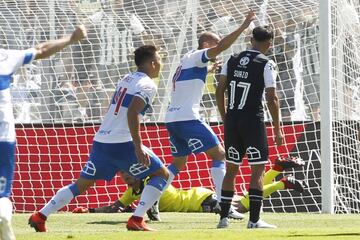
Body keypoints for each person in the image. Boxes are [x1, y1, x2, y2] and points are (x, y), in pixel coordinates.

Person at [28, 45, 169, 232]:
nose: (161, 63)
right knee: (162, 175)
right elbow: (133, 112)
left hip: (102, 141)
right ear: (152, 63)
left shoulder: (127, 79)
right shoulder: (148, 84)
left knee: (80, 185)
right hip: (123, 143)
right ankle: (137, 218)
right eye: (159, 59)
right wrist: (138, 146)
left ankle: (40, 216)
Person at [0, 24, 87, 240]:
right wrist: (71, 39)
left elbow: (41, 50)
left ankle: (3, 219)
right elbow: (41, 49)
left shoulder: (5, 57)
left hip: (3, 140)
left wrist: (70, 39)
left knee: (2, 200)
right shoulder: (5, 57)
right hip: (4, 140)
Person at [164, 10, 256, 209]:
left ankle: (152, 199)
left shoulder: (187, 59)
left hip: (172, 118)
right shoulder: (198, 55)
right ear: (206, 45)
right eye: (214, 46)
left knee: (178, 162)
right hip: (188, 117)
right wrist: (243, 26)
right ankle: (225, 204)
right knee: (220, 155)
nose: (218, 50)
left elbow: (190, 77)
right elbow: (223, 45)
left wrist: (210, 69)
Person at [72, 157, 305, 220]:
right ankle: (276, 169)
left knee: (242, 208)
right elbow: (115, 208)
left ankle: (282, 183)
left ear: (137, 172)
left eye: (126, 174)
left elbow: (119, 209)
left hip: (200, 201)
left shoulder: (150, 184)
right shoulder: (135, 190)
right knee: (244, 200)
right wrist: (90, 211)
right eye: (122, 175)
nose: (123, 178)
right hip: (200, 195)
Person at [216, 26, 284, 229]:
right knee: (257, 171)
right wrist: (277, 128)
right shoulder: (267, 63)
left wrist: (224, 116)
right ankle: (254, 220)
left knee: (231, 169)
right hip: (252, 121)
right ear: (269, 44)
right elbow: (272, 98)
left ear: (250, 39)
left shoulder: (232, 59)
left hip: (232, 120)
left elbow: (220, 90)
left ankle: (223, 219)